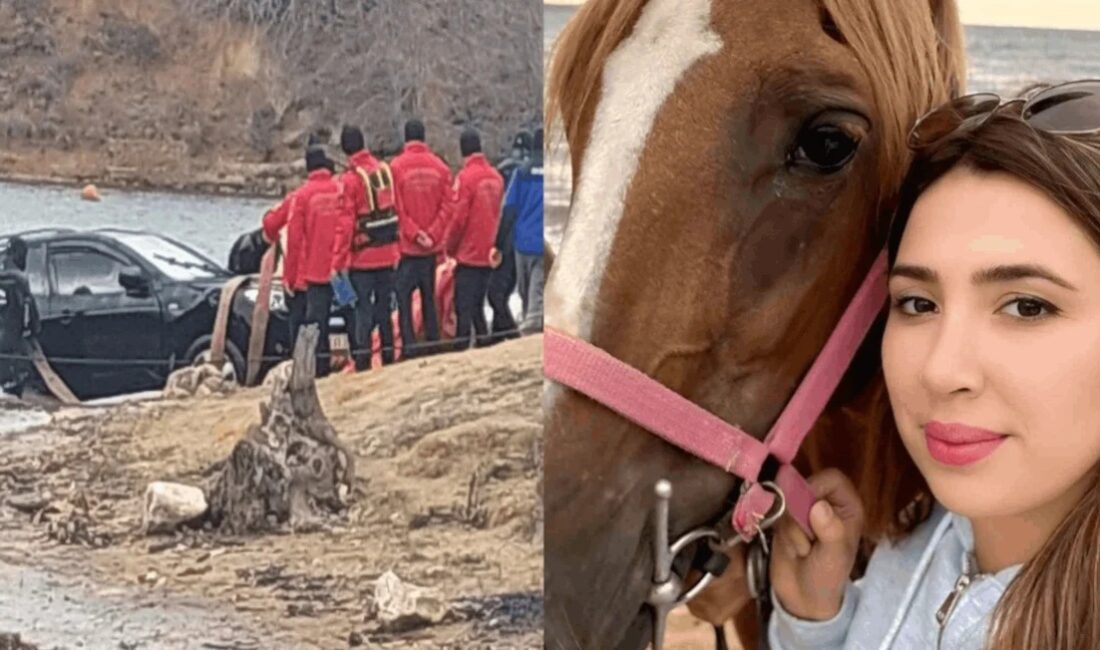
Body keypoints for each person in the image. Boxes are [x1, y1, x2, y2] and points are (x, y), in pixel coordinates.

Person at [765, 83, 1100, 649]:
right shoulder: (921, 530)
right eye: (918, 303)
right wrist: (815, 620)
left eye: (1027, 306)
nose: (940, 372)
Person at [333, 125, 400, 370]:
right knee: (385, 309)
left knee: (363, 310)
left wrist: (338, 262)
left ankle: (362, 361)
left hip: (363, 258)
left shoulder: (351, 180)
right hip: (388, 253)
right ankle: (389, 356)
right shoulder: (384, 171)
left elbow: (345, 225)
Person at [390, 118, 452, 357]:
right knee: (430, 299)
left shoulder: (395, 168)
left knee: (404, 300)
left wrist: (415, 234)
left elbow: (397, 209)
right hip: (431, 250)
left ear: (406, 138)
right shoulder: (441, 168)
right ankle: (433, 343)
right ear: (424, 138)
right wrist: (433, 233)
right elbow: (448, 206)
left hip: (407, 249)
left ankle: (408, 345)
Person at [443, 128, 505, 351]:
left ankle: (461, 350)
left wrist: (449, 247)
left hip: (468, 254)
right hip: (489, 253)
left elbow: (458, 218)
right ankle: (484, 345)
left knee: (464, 308)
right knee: (479, 305)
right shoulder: (496, 177)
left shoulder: (465, 178)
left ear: (463, 152)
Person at [289, 145, 346, 377]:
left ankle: (318, 370)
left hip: (316, 273)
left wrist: (292, 278)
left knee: (316, 324)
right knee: (351, 314)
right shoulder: (340, 189)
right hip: (340, 271)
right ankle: (359, 361)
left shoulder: (302, 196)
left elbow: (293, 240)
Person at [484, 130, 533, 346]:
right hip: (526, 243)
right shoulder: (533, 172)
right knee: (507, 294)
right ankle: (498, 339)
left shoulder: (503, 171)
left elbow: (502, 211)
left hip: (507, 241)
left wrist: (496, 243)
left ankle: (513, 339)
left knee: (496, 294)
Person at [506, 127, 544, 334]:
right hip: (545, 244)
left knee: (526, 293)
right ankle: (533, 334)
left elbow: (509, 209)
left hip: (522, 244)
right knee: (538, 293)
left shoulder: (521, 173)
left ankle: (531, 332)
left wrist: (498, 242)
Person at [0, 236, 39, 398]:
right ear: (17, 254)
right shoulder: (18, 279)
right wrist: (33, 330)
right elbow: (31, 317)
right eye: (24, 254)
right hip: (10, 348)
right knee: (14, 390)